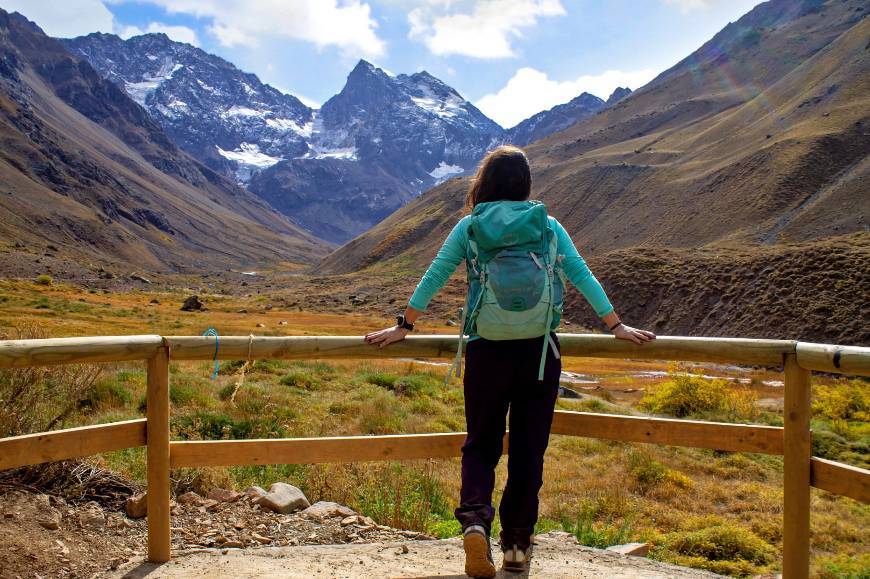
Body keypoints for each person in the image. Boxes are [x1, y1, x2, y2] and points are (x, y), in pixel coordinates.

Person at [365, 145, 655, 577]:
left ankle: (476, 523)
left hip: (486, 350)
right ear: (526, 185)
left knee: (481, 445)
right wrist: (616, 326)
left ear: (486, 183)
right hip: (539, 353)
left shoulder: (471, 226)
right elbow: (581, 275)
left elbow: (435, 275)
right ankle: (517, 545)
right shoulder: (549, 227)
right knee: (528, 453)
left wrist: (403, 326)